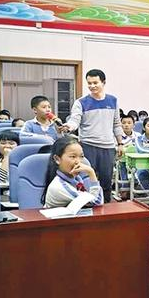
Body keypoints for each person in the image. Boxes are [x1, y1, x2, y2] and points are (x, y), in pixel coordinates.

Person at [60, 69, 125, 203]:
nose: (92, 86)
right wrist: (69, 127)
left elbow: (116, 123)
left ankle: (106, 208)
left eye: (95, 83)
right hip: (87, 146)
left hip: (108, 147)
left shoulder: (113, 100)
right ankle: (86, 208)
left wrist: (120, 143)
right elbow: (74, 121)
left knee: (106, 182)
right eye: (89, 83)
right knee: (86, 181)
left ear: (103, 82)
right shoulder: (81, 102)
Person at [42, 136, 104, 208]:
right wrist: (91, 172)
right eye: (73, 156)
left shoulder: (76, 179)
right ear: (57, 159)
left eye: (81, 156)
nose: (78, 161)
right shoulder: (58, 187)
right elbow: (96, 202)